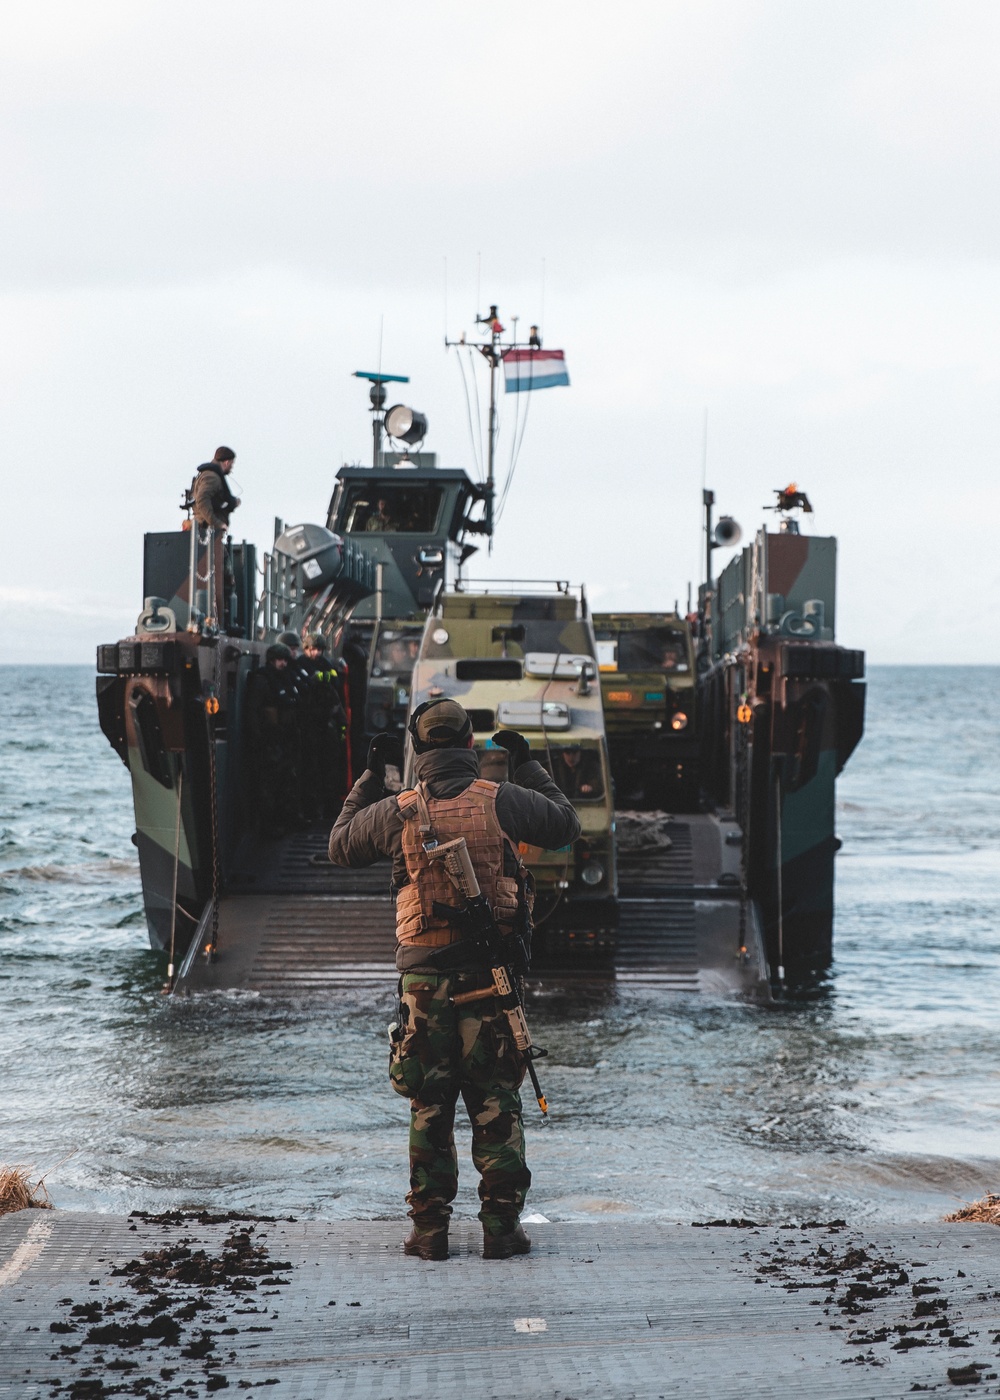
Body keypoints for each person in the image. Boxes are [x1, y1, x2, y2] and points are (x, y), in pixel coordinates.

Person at [328, 699, 580, 1262]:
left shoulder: (400, 810)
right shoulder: (504, 801)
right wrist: (527, 767)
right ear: (470, 746)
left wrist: (370, 778)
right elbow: (566, 825)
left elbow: (339, 845)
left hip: (422, 986)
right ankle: (501, 1231)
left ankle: (428, 1233)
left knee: (429, 1106)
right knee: (496, 1103)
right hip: (490, 982)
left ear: (418, 750)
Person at [245, 643, 300, 836]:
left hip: (284, 739)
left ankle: (282, 821)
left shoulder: (283, 678)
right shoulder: (263, 679)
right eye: (279, 660)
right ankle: (269, 826)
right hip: (269, 741)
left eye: (285, 660)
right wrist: (259, 737)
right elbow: (253, 711)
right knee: (269, 784)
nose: (283, 663)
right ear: (271, 660)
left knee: (285, 782)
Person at [299, 633, 347, 819]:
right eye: (313, 649)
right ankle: (312, 808)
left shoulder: (325, 664)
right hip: (309, 723)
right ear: (306, 649)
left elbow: (335, 683)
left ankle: (330, 805)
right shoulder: (301, 664)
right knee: (310, 768)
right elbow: (305, 685)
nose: (316, 653)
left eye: (319, 649)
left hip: (326, 723)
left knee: (329, 766)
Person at [192, 447, 241, 533]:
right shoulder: (212, 477)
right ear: (226, 462)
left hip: (206, 529)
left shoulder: (207, 474)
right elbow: (202, 499)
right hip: (207, 531)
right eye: (231, 464)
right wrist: (217, 523)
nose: (232, 467)